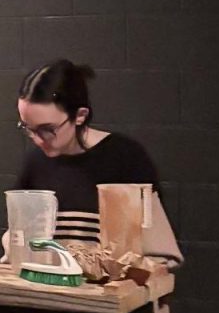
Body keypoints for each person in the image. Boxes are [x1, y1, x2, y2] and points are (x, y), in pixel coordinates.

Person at [14, 60, 160, 244]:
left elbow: (154, 242)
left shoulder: (125, 158)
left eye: (47, 129)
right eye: (28, 128)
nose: (37, 139)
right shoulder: (35, 162)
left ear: (80, 116)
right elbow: (19, 230)